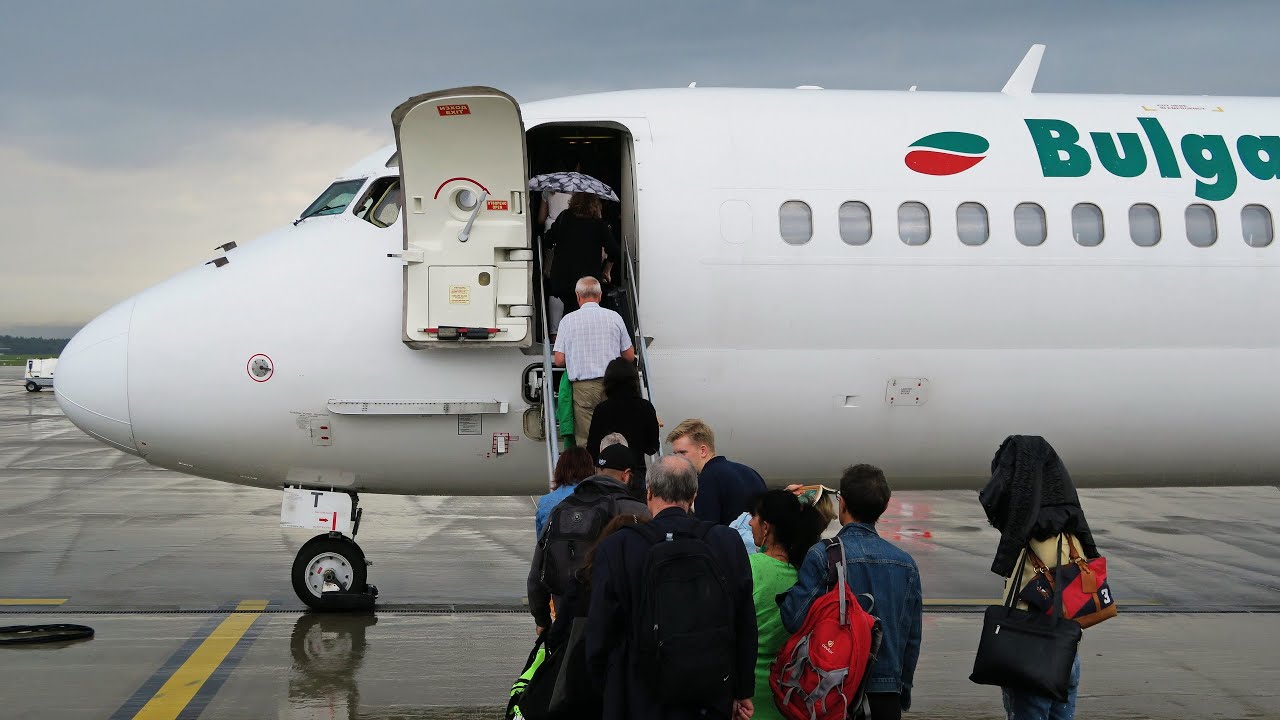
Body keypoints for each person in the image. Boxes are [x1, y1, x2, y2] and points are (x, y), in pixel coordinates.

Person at [586, 455, 757, 720]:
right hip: (709, 696)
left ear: (649, 492)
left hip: (640, 697)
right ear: (694, 495)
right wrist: (741, 689)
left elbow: (600, 631)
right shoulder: (726, 541)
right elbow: (745, 621)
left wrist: (607, 690)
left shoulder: (619, 546)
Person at [779, 464, 922, 720]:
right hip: (885, 694)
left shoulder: (824, 554)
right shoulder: (906, 563)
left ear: (841, 503)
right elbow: (911, 638)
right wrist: (902, 692)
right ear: (884, 506)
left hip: (833, 689)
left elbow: (793, 619)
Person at [980, 435, 1098, 720]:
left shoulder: (1027, 539)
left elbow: (996, 500)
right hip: (1067, 653)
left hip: (1031, 654)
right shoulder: (1072, 537)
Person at [528, 444, 650, 634]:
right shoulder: (637, 511)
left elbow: (537, 574)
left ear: (596, 470)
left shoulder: (562, 508)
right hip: (618, 626)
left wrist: (542, 619)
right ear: (626, 475)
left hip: (568, 622)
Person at [746, 490, 825, 720]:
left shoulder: (748, 568)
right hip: (788, 692)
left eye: (754, 516)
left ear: (766, 527)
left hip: (748, 695)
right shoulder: (805, 575)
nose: (750, 522)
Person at [554, 277, 635, 448]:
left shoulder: (567, 321)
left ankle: (591, 472)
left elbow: (559, 360)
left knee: (586, 440)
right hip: (612, 385)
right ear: (599, 295)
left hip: (584, 389)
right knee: (613, 436)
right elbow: (629, 356)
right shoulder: (614, 317)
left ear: (577, 296)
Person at [667, 418, 766, 525]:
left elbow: (706, 531)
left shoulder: (707, 479)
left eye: (682, 453)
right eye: (675, 454)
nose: (677, 459)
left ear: (703, 450)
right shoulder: (750, 472)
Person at [587, 358, 660, 494]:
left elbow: (592, 449)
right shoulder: (646, 407)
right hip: (635, 475)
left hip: (607, 476)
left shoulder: (601, 410)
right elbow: (652, 448)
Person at [543, 192, 620, 313]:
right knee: (586, 311)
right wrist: (607, 270)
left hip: (564, 279)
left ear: (573, 201)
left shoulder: (564, 217)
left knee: (569, 309)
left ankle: (568, 329)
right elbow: (615, 251)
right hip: (588, 280)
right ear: (595, 204)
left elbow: (547, 241)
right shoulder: (599, 224)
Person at [534, 446, 595, 538]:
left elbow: (541, 542)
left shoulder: (545, 501)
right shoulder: (599, 499)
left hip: (555, 551)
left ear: (560, 469)